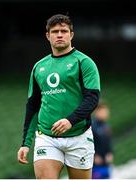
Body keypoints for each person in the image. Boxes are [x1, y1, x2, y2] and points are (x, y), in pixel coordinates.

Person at [17, 13, 100, 179]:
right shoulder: (39, 67)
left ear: (71, 34)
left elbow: (92, 98)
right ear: (48, 36)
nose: (60, 34)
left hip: (79, 136)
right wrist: (25, 144)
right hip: (47, 137)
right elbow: (33, 106)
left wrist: (70, 120)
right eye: (55, 31)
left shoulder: (84, 62)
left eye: (64, 31)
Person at [92, 100, 114, 179]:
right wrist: (94, 156)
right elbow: (90, 142)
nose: (105, 113)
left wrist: (110, 152)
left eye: (106, 111)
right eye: (102, 111)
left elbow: (109, 141)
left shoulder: (106, 125)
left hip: (106, 162)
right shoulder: (92, 126)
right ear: (96, 112)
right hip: (95, 164)